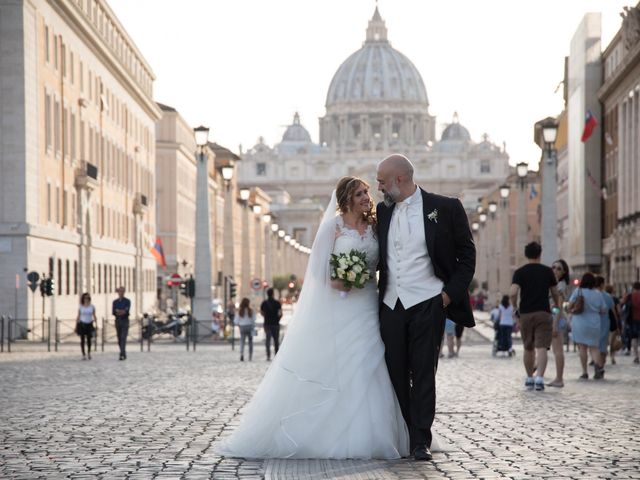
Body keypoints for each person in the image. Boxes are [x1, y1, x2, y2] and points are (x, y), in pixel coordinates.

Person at [216, 176, 409, 459]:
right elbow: (319, 272)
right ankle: (338, 431)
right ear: (346, 199)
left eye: (367, 193)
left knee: (372, 358)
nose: (367, 198)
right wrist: (342, 280)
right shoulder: (333, 226)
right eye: (359, 194)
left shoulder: (375, 226)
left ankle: (379, 432)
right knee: (342, 362)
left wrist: (363, 276)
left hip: (368, 303)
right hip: (342, 303)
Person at [376, 154, 475, 460]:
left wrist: (447, 296)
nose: (377, 187)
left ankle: (421, 440)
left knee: (423, 373)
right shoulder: (381, 211)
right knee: (394, 372)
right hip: (391, 304)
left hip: (428, 302)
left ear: (400, 180)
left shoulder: (445, 207)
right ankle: (406, 430)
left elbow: (467, 254)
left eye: (382, 181)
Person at [510, 242, 560, 392]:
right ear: (539, 254)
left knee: (528, 347)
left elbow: (513, 292)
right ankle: (539, 378)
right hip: (543, 312)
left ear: (526, 255)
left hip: (525, 313)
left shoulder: (520, 272)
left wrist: (515, 307)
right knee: (542, 346)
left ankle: (529, 378)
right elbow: (555, 292)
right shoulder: (547, 271)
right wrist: (556, 304)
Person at [568, 273, 607, 379]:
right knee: (594, 347)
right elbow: (603, 310)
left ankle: (585, 372)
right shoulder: (598, 293)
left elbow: (570, 305)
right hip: (594, 323)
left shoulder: (578, 291)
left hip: (580, 322)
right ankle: (599, 368)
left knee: (582, 348)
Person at [548, 259, 570, 387]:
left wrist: (555, 324)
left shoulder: (560, 286)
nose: (555, 270)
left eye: (559, 268)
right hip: (553, 318)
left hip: (557, 319)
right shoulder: (555, 284)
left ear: (564, 272)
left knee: (558, 350)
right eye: (553, 267)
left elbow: (558, 307)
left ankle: (559, 379)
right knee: (554, 350)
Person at [595, 276, 616, 366]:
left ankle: (596, 362)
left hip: (594, 322)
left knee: (595, 345)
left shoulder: (592, 294)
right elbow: (613, 311)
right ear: (602, 284)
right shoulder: (607, 296)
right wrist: (617, 324)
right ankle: (601, 364)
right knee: (603, 345)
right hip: (605, 323)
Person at [261, 288, 282, 361]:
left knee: (268, 340)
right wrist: (277, 319)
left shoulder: (264, 303)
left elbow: (262, 313)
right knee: (276, 340)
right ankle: (276, 355)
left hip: (267, 324)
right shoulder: (277, 303)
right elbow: (280, 313)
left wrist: (266, 317)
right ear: (273, 294)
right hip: (275, 324)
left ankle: (268, 355)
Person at [76, 292, 97, 360]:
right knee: (82, 339)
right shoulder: (81, 307)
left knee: (89, 339)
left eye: (88, 298)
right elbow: (78, 316)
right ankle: (83, 354)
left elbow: (94, 315)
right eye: (85, 298)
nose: (86, 299)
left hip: (89, 323)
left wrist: (96, 323)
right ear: (83, 299)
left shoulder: (92, 306)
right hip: (82, 323)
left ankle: (89, 352)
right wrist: (76, 325)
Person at [112, 286, 131, 361]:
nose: (121, 293)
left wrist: (119, 311)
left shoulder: (127, 301)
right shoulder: (115, 302)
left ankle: (121, 354)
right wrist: (120, 311)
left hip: (125, 320)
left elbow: (126, 311)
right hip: (117, 320)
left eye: (122, 291)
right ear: (118, 292)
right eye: (120, 291)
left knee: (123, 337)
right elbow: (114, 311)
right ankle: (123, 352)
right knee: (119, 338)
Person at [235, 297, 256, 362]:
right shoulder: (251, 310)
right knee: (250, 342)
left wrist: (239, 325)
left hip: (242, 327)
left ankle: (242, 354)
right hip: (249, 326)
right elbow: (254, 319)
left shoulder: (240, 311)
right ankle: (250, 356)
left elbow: (236, 321)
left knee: (242, 341)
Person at [624, 281, 640, 364]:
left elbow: (623, 304)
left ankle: (636, 356)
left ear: (633, 287)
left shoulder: (630, 296)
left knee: (634, 338)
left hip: (633, 319)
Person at [605, 285, 621, 365]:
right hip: (613, 320)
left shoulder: (603, 297)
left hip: (604, 320)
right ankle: (612, 356)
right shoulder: (615, 299)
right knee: (612, 340)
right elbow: (618, 310)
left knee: (604, 339)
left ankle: (602, 354)